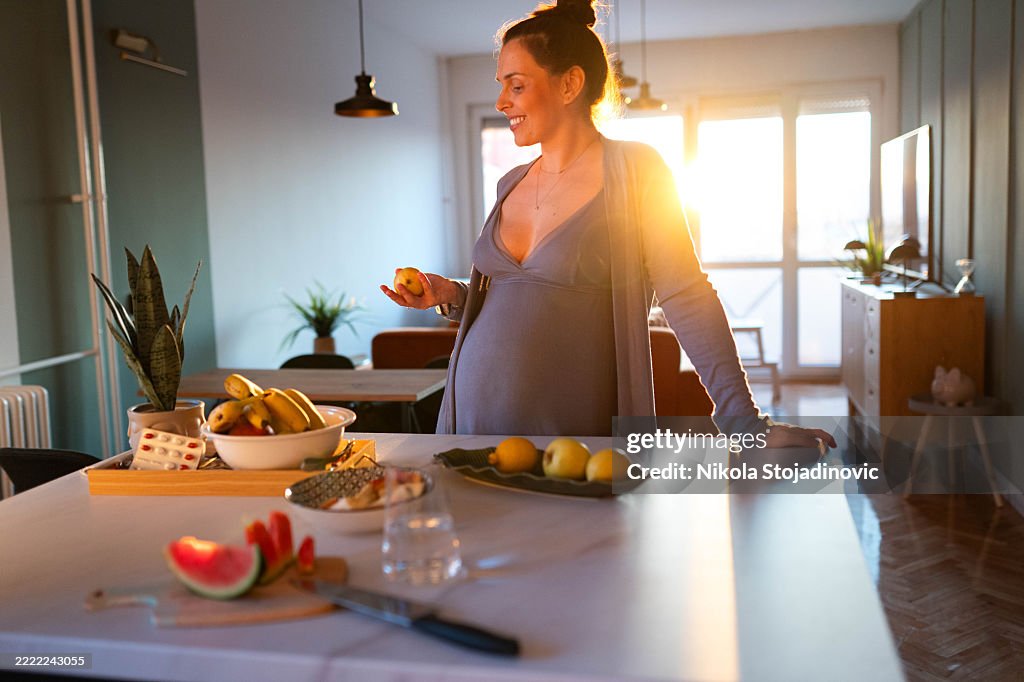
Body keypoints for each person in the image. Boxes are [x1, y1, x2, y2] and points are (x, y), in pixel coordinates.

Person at [382, 0, 834, 450]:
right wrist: (454, 296)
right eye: (501, 85)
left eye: (516, 86)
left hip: (574, 428)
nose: (501, 102)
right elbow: (512, 295)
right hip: (471, 417)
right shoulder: (509, 182)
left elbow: (686, 295)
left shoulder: (637, 170)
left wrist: (745, 423)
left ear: (570, 84)